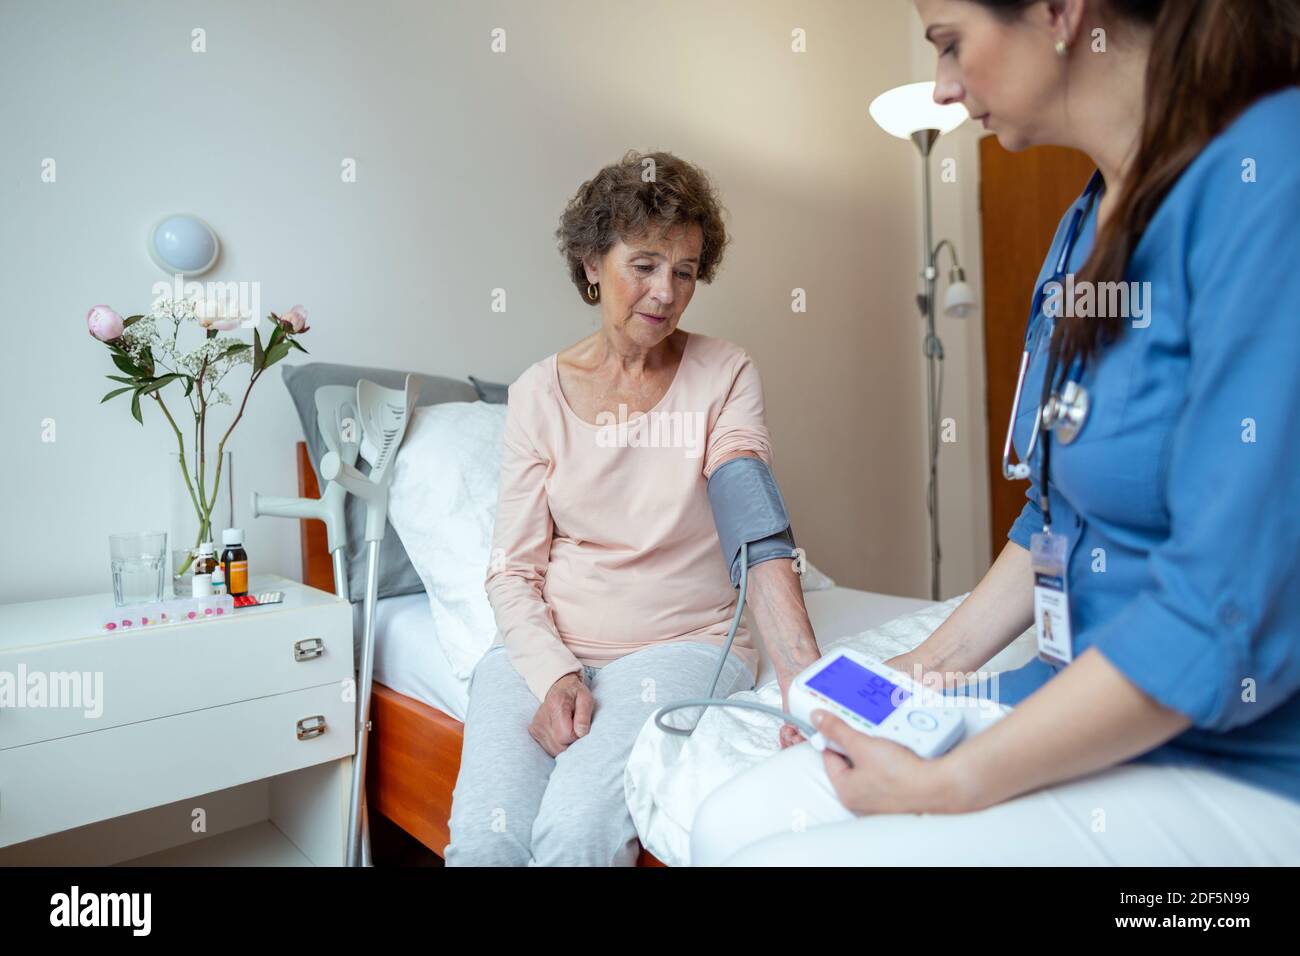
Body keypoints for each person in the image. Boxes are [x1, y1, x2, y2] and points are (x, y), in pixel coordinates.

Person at [691, 0, 1300, 866]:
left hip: (1231, 755)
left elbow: (1220, 615)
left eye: (949, 45)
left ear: (1059, 12)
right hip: (1071, 694)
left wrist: (951, 782)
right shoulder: (1085, 227)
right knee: (724, 826)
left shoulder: (1268, 174)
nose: (942, 89)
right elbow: (1056, 521)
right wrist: (919, 669)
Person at [445, 150, 820, 866]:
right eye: (644, 264)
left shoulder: (724, 370)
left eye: (684, 271)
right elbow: (511, 570)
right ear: (591, 263)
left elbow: (747, 500)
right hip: (549, 642)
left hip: (684, 642)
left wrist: (805, 675)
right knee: (487, 839)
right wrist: (553, 671)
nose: (666, 291)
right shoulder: (535, 393)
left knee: (573, 833)